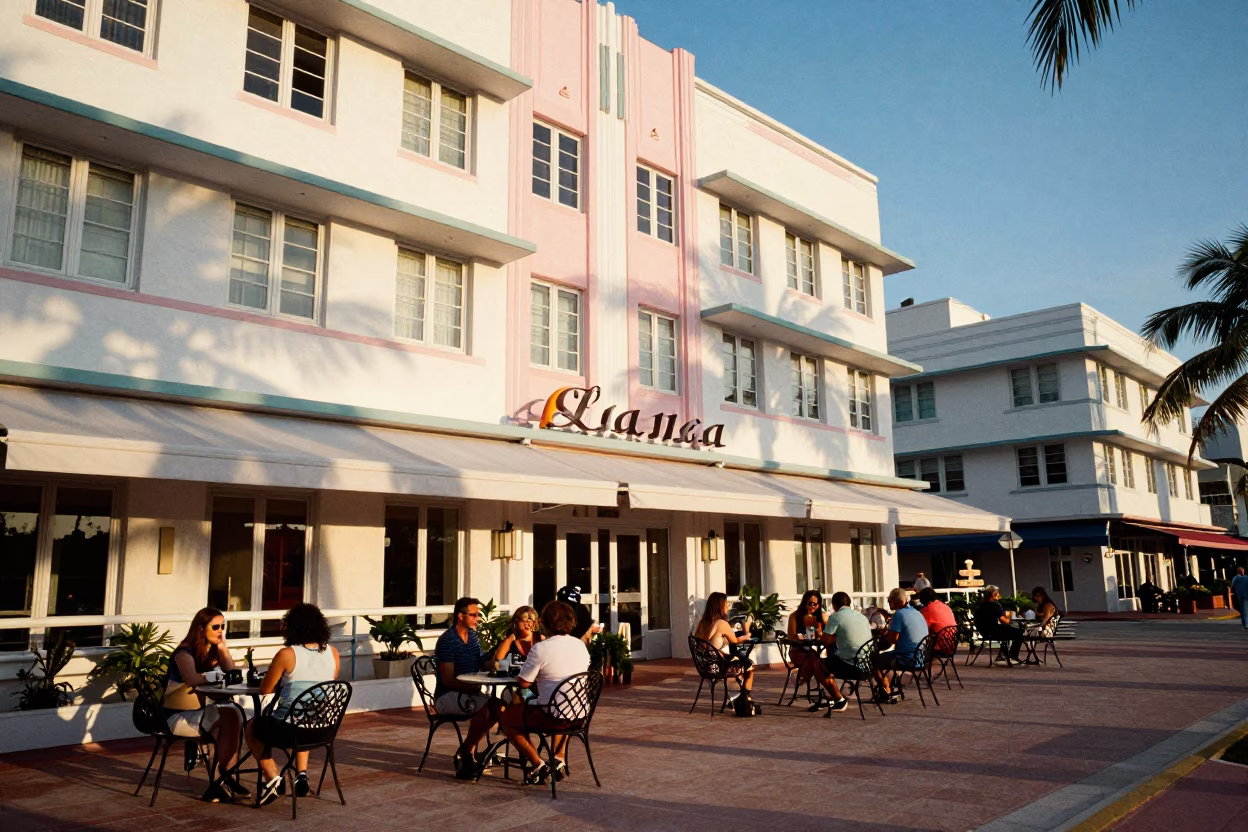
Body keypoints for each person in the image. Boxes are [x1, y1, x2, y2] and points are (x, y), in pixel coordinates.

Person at [244, 603, 341, 807]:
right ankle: (301, 775)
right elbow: (323, 687)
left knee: (253, 726)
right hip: (322, 730)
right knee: (304, 714)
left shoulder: (287, 654)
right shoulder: (333, 653)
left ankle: (272, 777)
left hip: (290, 731)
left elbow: (265, 689)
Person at [500, 601, 591, 785]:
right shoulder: (580, 645)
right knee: (559, 704)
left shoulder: (541, 648)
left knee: (507, 719)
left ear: (547, 623)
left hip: (554, 717)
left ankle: (537, 765)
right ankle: (558, 758)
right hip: (580, 714)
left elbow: (524, 683)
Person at [163, 607, 246, 803]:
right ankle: (223, 779)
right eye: (215, 626)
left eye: (223, 627)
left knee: (233, 715)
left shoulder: (211, 650)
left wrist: (223, 648)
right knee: (228, 718)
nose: (220, 631)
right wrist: (210, 675)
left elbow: (230, 670)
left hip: (199, 712)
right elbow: (191, 679)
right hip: (177, 716)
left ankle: (224, 779)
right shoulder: (184, 652)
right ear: (201, 628)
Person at [694, 592, 757, 702]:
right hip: (717, 667)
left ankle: (734, 698)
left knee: (739, 660)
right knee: (749, 666)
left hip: (705, 666)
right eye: (726, 604)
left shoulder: (702, 623)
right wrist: (747, 634)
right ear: (720, 606)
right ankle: (744, 699)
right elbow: (735, 641)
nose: (728, 606)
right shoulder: (721, 623)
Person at [814, 592, 865, 713]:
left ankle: (838, 699)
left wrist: (821, 633)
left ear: (834, 605)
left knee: (816, 664)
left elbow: (825, 640)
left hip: (852, 667)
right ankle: (831, 695)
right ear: (849, 603)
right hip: (867, 666)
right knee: (831, 659)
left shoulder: (836, 617)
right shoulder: (861, 617)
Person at [875, 588, 926, 700]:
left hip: (907, 659)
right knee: (885, 657)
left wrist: (886, 633)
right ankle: (890, 686)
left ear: (894, 600)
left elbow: (892, 640)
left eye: (889, 601)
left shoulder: (899, 614)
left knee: (873, 661)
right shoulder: (916, 612)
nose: (888, 603)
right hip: (921, 657)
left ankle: (886, 690)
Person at [786, 590, 828, 690]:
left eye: (815, 604)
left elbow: (827, 635)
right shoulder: (795, 616)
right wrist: (801, 636)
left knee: (819, 660)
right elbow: (791, 637)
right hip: (797, 650)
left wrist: (820, 631)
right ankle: (828, 689)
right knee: (815, 660)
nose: (812, 606)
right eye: (810, 603)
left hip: (812, 650)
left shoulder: (820, 616)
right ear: (804, 602)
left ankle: (803, 677)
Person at [973, 585, 1023, 666]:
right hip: (994, 632)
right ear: (994, 595)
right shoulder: (995, 606)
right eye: (998, 593)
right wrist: (1009, 615)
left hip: (984, 632)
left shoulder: (980, 606)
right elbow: (1005, 621)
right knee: (1018, 633)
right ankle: (1012, 656)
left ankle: (1005, 655)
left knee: (1009, 630)